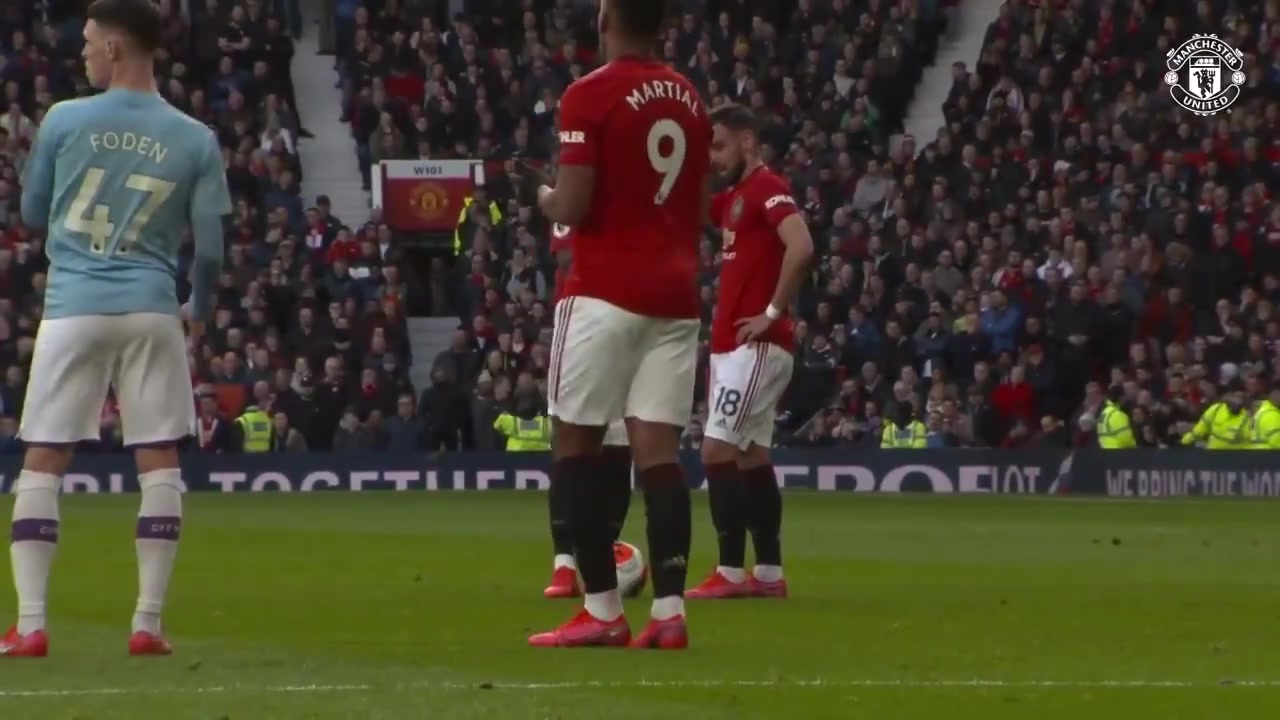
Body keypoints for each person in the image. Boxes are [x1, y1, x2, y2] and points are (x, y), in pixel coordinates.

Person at [1, 0, 229, 658]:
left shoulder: (64, 119)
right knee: (158, 458)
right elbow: (211, 250)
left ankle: (31, 625)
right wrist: (199, 307)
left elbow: (32, 210)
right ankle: (147, 624)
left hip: (74, 306)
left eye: (89, 42)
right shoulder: (194, 137)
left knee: (44, 457)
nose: (83, 53)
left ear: (115, 48)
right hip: (152, 307)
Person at [528, 0, 711, 649]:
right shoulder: (689, 97)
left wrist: (543, 196)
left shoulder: (589, 94)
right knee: (659, 455)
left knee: (575, 442)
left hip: (606, 290)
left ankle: (603, 610)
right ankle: (669, 612)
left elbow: (573, 204)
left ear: (606, 18)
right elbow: (696, 201)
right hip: (676, 295)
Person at [686, 104, 810, 601]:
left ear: (748, 141)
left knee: (715, 451)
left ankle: (731, 571)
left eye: (719, 146)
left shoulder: (767, 187)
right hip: (731, 350)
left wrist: (772, 312)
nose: (714, 157)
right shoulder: (736, 196)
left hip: (754, 347)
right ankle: (769, 573)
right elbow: (696, 207)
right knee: (750, 456)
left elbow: (801, 246)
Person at [542, 223, 635, 600]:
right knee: (571, 440)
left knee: (620, 444)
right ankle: (564, 565)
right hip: (581, 322)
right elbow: (567, 256)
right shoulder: (575, 199)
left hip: (627, 324)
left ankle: (602, 558)